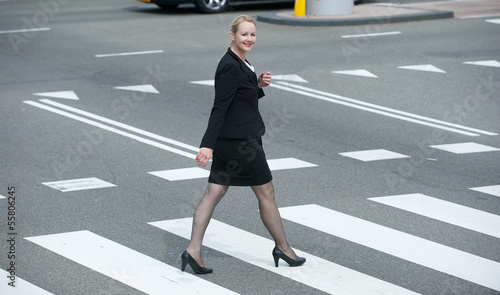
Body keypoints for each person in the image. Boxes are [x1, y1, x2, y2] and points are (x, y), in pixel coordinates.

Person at [181, 15, 305, 275]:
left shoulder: (240, 61)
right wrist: (207, 145)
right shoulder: (229, 65)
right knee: (266, 192)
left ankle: (192, 251)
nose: (249, 39)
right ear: (232, 35)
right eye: (244, 34)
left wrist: (257, 84)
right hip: (241, 143)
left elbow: (240, 95)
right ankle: (283, 248)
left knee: (213, 193)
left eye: (253, 35)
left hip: (232, 140)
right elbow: (220, 106)